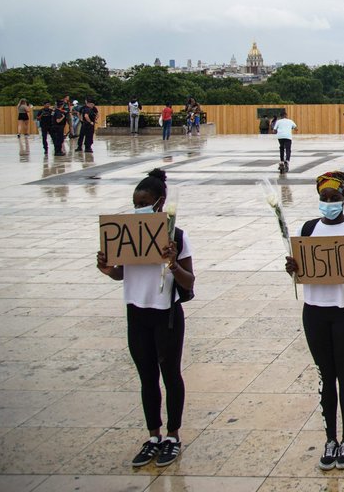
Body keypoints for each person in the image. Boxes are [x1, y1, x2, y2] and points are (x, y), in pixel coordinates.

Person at [96, 168, 195, 468]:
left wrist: (172, 262)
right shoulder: (128, 234)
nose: (139, 206)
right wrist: (106, 268)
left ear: (160, 203)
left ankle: (173, 435)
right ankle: (153, 435)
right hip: (136, 311)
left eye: (145, 201)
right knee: (147, 377)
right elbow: (120, 273)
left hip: (165, 313)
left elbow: (189, 282)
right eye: (136, 201)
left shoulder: (176, 235)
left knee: (170, 374)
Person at [285, 171, 344, 472]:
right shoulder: (309, 228)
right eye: (324, 198)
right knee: (326, 376)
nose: (328, 203)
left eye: (334, 198)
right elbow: (301, 270)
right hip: (315, 311)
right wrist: (293, 267)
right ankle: (330, 438)